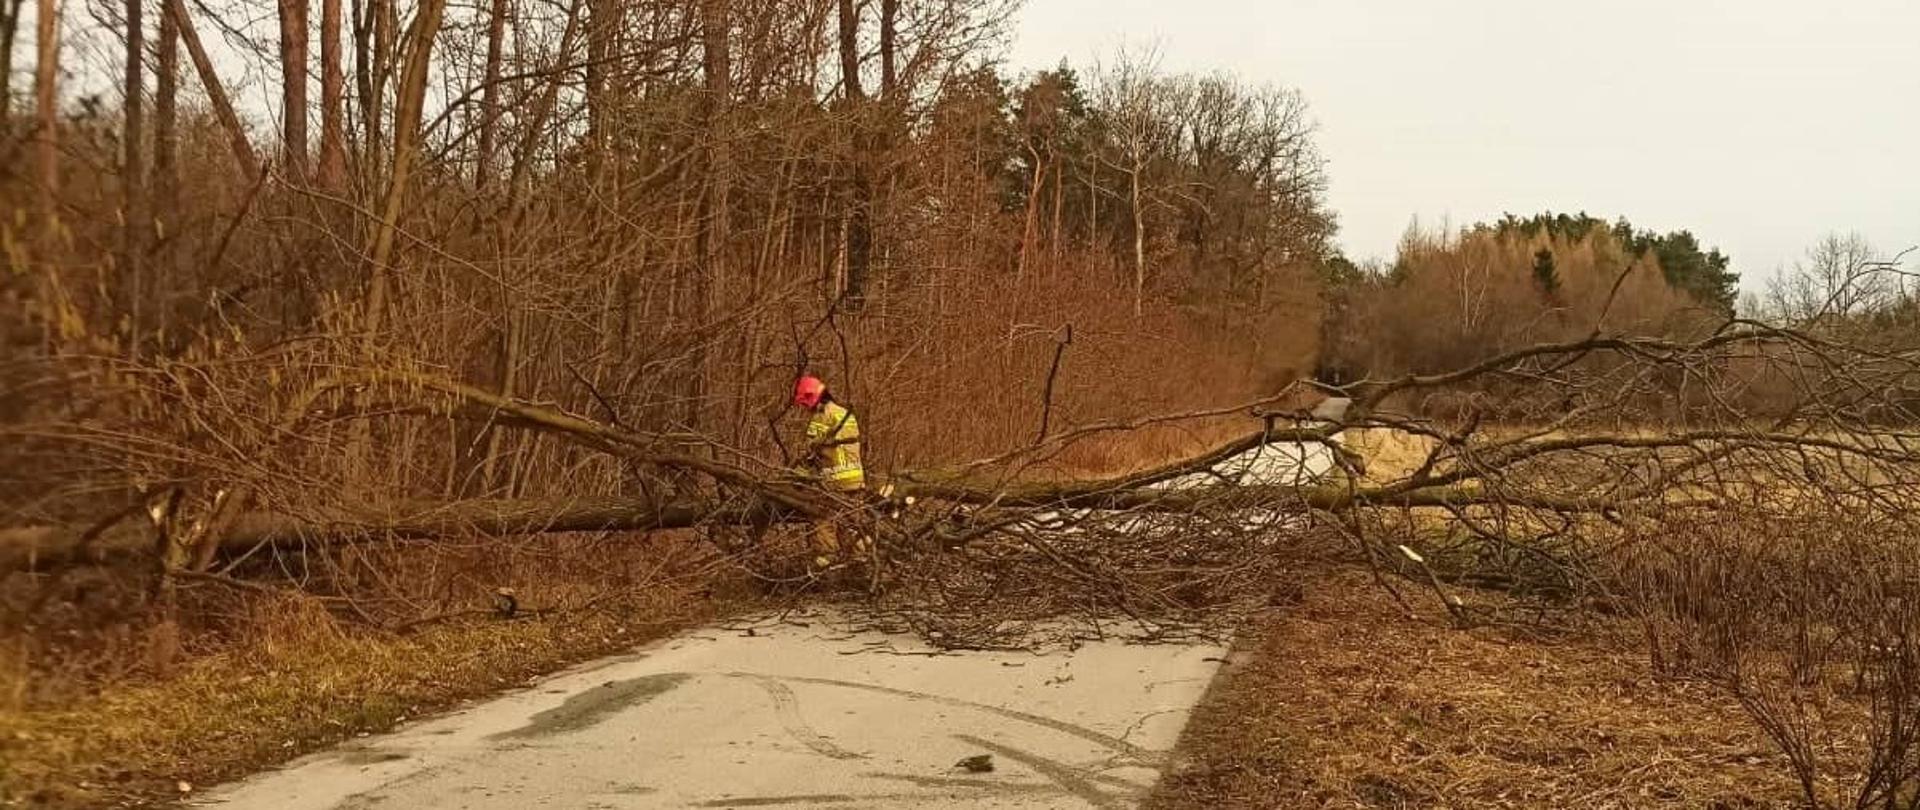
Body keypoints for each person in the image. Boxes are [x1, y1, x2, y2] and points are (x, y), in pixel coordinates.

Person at [791, 375, 869, 573]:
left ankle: (825, 569)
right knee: (852, 523)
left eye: (804, 404)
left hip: (834, 481)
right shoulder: (844, 413)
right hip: (855, 480)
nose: (805, 409)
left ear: (811, 399)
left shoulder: (820, 418)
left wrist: (797, 475)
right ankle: (861, 567)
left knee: (821, 521)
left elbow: (810, 452)